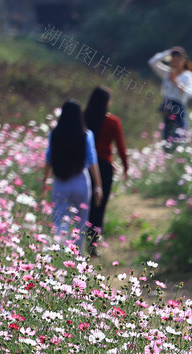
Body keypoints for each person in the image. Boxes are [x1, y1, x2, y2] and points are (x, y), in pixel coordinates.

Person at [42, 100, 102, 253]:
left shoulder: (55, 134)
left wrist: (44, 181)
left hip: (61, 181)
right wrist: (98, 185)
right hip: (81, 180)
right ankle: (78, 254)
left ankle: (60, 252)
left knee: (60, 219)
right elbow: (92, 159)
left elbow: (48, 158)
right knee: (81, 220)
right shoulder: (86, 135)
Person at [83, 86, 129, 257]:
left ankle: (77, 240)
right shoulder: (112, 122)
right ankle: (93, 244)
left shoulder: (83, 118)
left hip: (85, 167)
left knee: (84, 204)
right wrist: (125, 167)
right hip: (104, 168)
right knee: (99, 206)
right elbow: (120, 146)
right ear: (107, 102)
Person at [148, 46, 192, 152]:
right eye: (173, 60)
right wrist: (168, 52)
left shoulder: (188, 75)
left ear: (184, 60)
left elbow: (190, 94)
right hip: (167, 107)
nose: (176, 62)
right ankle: (168, 154)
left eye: (179, 59)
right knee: (167, 135)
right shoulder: (167, 73)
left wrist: (177, 84)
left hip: (178, 106)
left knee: (180, 134)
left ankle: (179, 154)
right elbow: (152, 62)